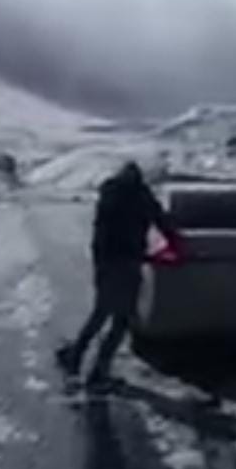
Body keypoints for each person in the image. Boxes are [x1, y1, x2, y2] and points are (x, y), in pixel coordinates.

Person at [56, 161, 182, 389]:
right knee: (121, 320)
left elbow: (99, 234)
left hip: (106, 262)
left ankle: (75, 357)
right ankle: (98, 372)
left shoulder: (108, 197)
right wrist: (177, 243)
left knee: (100, 313)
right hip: (128, 264)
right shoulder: (141, 196)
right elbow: (163, 223)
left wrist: (100, 264)